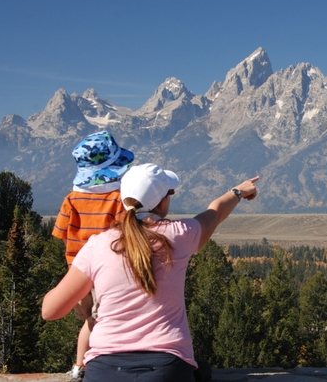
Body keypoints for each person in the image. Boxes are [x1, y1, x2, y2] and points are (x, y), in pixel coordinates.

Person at [43, 163, 259, 382]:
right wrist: (237, 192)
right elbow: (216, 211)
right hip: (168, 368)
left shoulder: (98, 245)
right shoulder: (181, 235)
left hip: (105, 370)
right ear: (163, 203)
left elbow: (50, 311)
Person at [52, 131, 135, 382]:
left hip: (77, 272)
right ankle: (105, 366)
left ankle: (79, 366)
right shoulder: (118, 199)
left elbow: (61, 234)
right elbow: (125, 235)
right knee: (105, 320)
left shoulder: (71, 200)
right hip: (106, 271)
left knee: (89, 320)